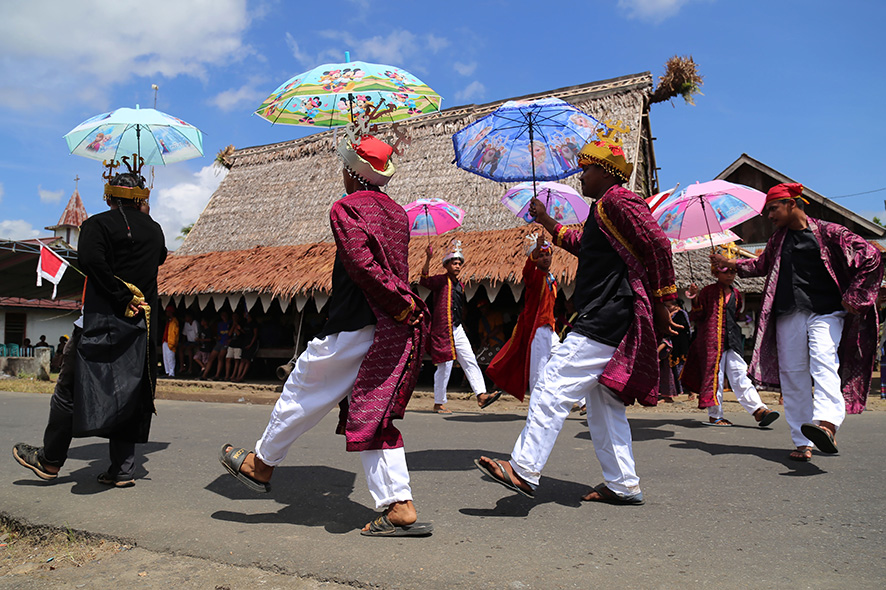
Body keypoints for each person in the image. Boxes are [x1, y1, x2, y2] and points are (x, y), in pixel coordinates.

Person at [219, 131, 433, 536]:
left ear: (352, 174)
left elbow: (361, 265)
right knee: (373, 415)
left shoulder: (346, 209)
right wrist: (401, 307)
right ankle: (400, 505)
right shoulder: (397, 214)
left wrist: (397, 300)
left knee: (301, 389)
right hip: (390, 330)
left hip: (355, 324)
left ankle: (260, 465)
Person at [475, 126, 679, 505]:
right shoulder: (605, 209)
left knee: (552, 384)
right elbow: (581, 244)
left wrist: (666, 301)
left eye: (587, 169)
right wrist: (548, 221)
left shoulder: (619, 200)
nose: (581, 175)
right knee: (605, 403)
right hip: (609, 311)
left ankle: (524, 468)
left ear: (606, 172)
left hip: (609, 311)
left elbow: (658, 243)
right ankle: (623, 484)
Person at [13, 161, 166, 487]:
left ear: (109, 197)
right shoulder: (154, 229)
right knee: (130, 392)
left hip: (99, 323)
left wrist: (120, 294)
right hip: (139, 327)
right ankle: (123, 469)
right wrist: (145, 217)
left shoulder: (97, 225)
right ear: (141, 199)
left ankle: (50, 460)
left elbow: (91, 261)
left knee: (68, 390)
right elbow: (161, 257)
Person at [711, 183, 882, 461]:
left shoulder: (830, 232)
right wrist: (729, 264)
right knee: (793, 376)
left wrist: (855, 295)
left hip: (826, 312)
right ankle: (803, 441)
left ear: (792, 204)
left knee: (823, 359)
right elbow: (760, 266)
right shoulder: (778, 240)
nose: (769, 216)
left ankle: (826, 424)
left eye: (773, 209)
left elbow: (872, 256)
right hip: (788, 314)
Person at [681, 250, 780, 427]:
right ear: (716, 272)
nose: (730, 274)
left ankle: (758, 410)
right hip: (711, 341)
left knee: (740, 373)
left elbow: (736, 313)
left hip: (732, 338)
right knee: (715, 378)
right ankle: (715, 415)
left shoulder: (736, 293)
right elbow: (698, 314)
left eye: (732, 271)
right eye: (725, 271)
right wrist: (694, 297)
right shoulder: (708, 291)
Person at [421, 241, 500, 413]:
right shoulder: (441, 281)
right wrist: (428, 258)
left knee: (469, 359)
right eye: (454, 263)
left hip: (457, 328)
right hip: (442, 330)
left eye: (459, 263)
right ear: (447, 265)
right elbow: (424, 280)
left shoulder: (460, 285)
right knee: (445, 365)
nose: (457, 266)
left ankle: (481, 395)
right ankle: (438, 402)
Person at [486, 233, 559, 402]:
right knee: (538, 374)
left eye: (547, 254)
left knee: (566, 360)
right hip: (538, 331)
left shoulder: (551, 279)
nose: (545, 258)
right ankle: (536, 407)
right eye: (541, 255)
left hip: (551, 330)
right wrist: (533, 255)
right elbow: (527, 271)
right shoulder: (534, 276)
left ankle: (581, 401)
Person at [232, 309, 258, 382]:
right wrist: (240, 329)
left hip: (251, 344)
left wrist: (250, 344)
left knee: (247, 360)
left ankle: (242, 376)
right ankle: (238, 376)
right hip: (245, 343)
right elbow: (244, 333)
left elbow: (255, 335)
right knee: (242, 360)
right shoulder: (245, 323)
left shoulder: (254, 324)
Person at [161, 304, 179, 377]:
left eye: (168, 312)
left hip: (171, 341)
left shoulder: (174, 322)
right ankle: (167, 372)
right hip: (165, 341)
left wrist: (174, 342)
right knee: (165, 358)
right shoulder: (169, 321)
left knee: (170, 358)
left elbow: (175, 333)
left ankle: (171, 373)